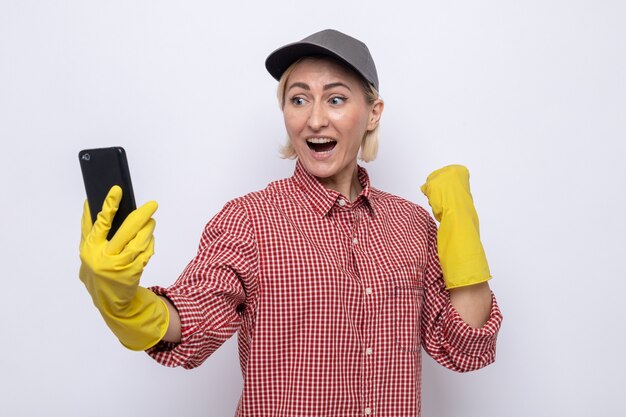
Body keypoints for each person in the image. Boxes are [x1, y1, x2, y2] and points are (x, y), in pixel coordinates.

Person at [79, 29, 502, 416]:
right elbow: (192, 320)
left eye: (336, 99)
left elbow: (464, 347)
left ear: (373, 113)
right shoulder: (249, 220)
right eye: (298, 99)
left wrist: (460, 223)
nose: (315, 119)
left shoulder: (411, 224)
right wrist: (126, 302)